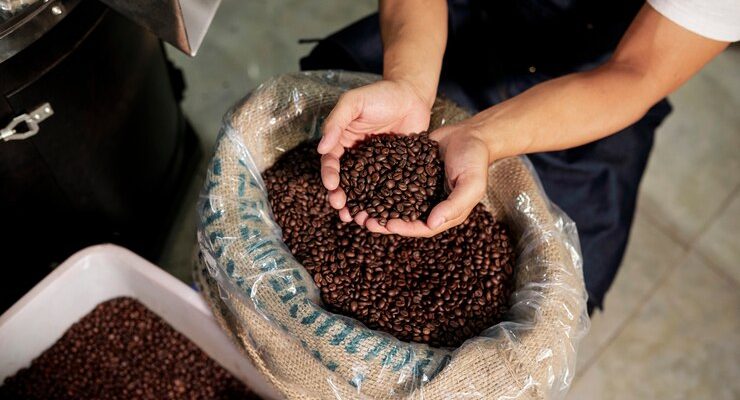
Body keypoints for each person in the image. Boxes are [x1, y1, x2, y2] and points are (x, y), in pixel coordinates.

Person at [301, 0, 739, 313]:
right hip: (462, 25)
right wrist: (410, 83)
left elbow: (638, 72)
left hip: (593, 95)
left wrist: (483, 137)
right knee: (314, 151)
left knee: (556, 273)